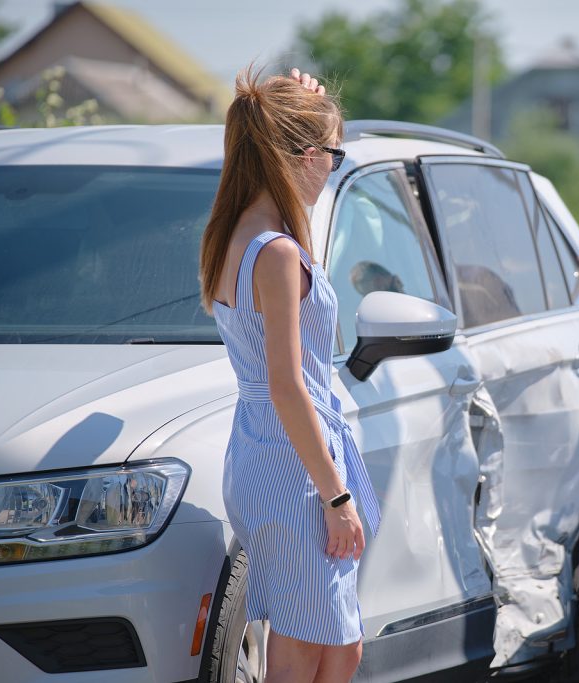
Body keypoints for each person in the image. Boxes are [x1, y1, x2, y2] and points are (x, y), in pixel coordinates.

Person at [199, 66, 380, 683]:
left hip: (266, 449)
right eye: (334, 152)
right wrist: (336, 496)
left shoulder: (235, 236)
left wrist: (299, 99)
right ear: (305, 157)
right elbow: (287, 385)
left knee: (334, 645)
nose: (335, 165)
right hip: (292, 462)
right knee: (309, 648)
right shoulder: (274, 251)